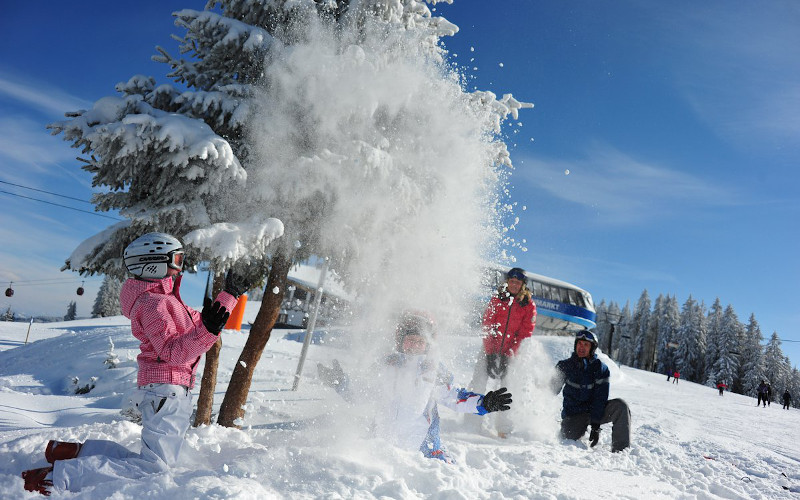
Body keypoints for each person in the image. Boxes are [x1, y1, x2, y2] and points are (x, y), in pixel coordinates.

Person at [22, 232, 247, 495]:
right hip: (168, 388)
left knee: (149, 458)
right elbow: (174, 352)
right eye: (176, 259)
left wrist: (229, 296)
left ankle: (74, 453)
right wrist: (208, 329)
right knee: (155, 467)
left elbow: (202, 324)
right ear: (153, 263)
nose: (180, 266)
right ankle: (58, 477)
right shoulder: (153, 304)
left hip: (169, 389)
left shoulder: (167, 301)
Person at [317, 310, 513, 464]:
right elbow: (364, 394)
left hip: (421, 452)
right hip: (380, 447)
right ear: (400, 340)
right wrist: (340, 383)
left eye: (420, 342)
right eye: (410, 340)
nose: (415, 345)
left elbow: (455, 398)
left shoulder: (432, 370)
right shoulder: (387, 365)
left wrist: (484, 402)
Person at [468, 267, 536, 438]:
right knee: (478, 382)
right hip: (489, 347)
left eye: (518, 282)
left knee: (507, 388)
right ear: (507, 282)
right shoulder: (498, 299)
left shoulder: (527, 304)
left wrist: (509, 355)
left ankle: (503, 429)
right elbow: (488, 324)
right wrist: (490, 352)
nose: (514, 284)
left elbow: (524, 333)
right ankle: (472, 423)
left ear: (523, 285)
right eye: (511, 281)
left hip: (511, 352)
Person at [552, 330, 631, 453]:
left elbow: (600, 398)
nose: (581, 347)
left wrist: (595, 425)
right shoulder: (565, 366)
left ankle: (621, 451)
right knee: (567, 438)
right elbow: (549, 389)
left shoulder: (600, 369)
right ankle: (570, 429)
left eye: (586, 345)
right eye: (579, 344)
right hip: (574, 415)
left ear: (592, 348)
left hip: (594, 411)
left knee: (620, 406)